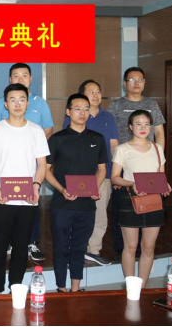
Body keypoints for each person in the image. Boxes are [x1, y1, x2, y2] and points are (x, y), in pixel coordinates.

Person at [0, 84, 49, 294]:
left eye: (22, 100)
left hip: (27, 200)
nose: (17, 104)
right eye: (12, 100)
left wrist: (36, 186)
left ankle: (16, 289)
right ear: (5, 104)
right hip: (0, 200)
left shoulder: (36, 131)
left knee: (21, 249)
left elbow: (42, 164)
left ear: (27, 104)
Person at [0, 63, 54, 262]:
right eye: (16, 75)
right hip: (6, 168)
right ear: (10, 79)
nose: (20, 79)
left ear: (31, 78)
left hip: (30, 165)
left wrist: (31, 145)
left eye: (24, 75)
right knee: (6, 208)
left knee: (30, 204)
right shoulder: (1, 103)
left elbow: (48, 129)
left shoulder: (40, 103)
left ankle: (32, 242)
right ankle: (9, 243)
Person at [46, 94, 107, 293]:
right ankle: (61, 288)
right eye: (78, 108)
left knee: (79, 248)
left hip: (87, 205)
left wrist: (95, 187)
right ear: (68, 112)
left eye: (86, 109)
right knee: (61, 247)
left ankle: (75, 288)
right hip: (62, 204)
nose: (83, 113)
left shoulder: (97, 139)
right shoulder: (57, 139)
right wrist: (62, 189)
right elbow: (45, 171)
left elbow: (102, 169)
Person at [107, 67, 166, 259]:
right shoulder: (116, 105)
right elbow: (112, 136)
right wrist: (119, 166)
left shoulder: (151, 103)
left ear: (144, 82)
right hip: (124, 163)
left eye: (140, 79)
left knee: (149, 206)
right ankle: (122, 250)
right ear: (125, 84)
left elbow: (159, 132)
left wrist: (157, 157)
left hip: (148, 163)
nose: (136, 83)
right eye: (132, 80)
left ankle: (143, 251)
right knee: (123, 209)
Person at [111, 110, 172, 288]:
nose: (143, 128)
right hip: (130, 199)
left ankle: (142, 289)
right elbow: (115, 177)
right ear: (131, 127)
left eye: (146, 124)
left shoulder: (157, 148)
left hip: (154, 200)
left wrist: (165, 185)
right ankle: (131, 288)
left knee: (148, 247)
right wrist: (132, 183)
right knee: (130, 247)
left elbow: (160, 175)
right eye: (138, 124)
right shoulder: (122, 149)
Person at [63, 80, 119, 267]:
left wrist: (116, 171)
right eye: (91, 91)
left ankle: (93, 250)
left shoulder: (108, 117)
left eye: (98, 91)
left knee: (100, 214)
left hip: (103, 173)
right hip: (78, 175)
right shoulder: (74, 115)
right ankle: (74, 249)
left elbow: (114, 145)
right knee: (75, 212)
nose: (96, 95)